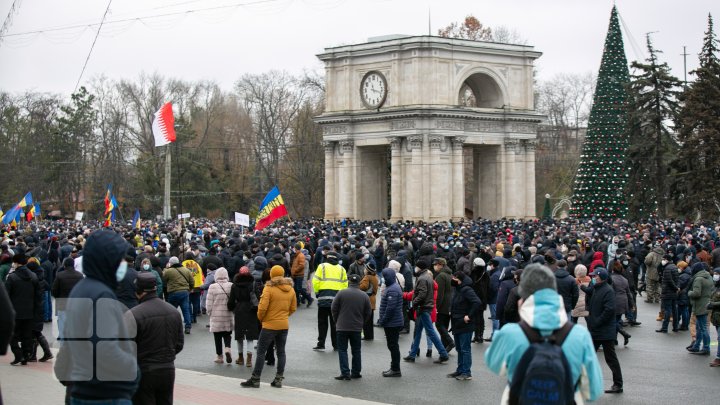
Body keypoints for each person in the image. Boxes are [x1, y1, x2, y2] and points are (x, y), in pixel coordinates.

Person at [485, 264, 603, 403]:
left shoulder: (510, 333)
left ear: (522, 297)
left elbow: (494, 364)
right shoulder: (580, 335)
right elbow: (593, 391)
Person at [54, 229, 139, 404]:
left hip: (85, 387)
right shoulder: (101, 295)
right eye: (119, 258)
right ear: (107, 260)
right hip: (106, 393)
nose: (123, 263)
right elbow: (105, 348)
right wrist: (132, 369)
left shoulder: (82, 288)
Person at [126, 272, 184, 405]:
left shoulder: (133, 314)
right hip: (168, 368)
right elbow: (179, 343)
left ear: (138, 291)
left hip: (144, 370)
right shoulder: (173, 311)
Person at [241, 265, 297, 388]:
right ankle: (278, 379)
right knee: (281, 352)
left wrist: (262, 319)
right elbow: (293, 308)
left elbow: (262, 308)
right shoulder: (290, 289)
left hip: (269, 325)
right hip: (283, 324)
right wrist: (283, 316)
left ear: (271, 274)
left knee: (261, 351)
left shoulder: (268, 288)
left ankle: (255, 379)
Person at [584, 267, 623, 394]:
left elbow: (609, 310)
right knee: (588, 357)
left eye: (595, 276)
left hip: (605, 331)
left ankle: (618, 384)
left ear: (601, 278)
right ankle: (583, 383)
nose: (593, 278)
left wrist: (596, 322)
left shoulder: (608, 291)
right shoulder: (596, 289)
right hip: (596, 330)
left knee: (610, 358)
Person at [402, 259, 449, 363]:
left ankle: (443, 353)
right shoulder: (428, 277)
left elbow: (422, 294)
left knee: (430, 332)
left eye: (417, 266)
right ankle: (412, 354)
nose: (415, 268)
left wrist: (414, 303)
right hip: (425, 307)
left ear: (419, 268)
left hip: (422, 308)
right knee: (418, 332)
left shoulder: (422, 278)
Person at [331, 273, 372, 380]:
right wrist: (362, 322)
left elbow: (334, 308)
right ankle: (356, 372)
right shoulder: (364, 296)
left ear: (349, 282)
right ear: (359, 283)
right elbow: (368, 312)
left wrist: (337, 320)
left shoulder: (341, 293)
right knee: (356, 350)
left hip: (342, 326)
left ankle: (345, 373)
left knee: (342, 350)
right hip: (356, 327)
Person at [6, 253, 41, 365]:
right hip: (30, 311)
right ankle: (26, 355)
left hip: (15, 312)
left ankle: (18, 355)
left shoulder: (12, 277)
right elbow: (38, 296)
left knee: (13, 335)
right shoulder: (34, 276)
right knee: (27, 335)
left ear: (16, 263)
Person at [447, 271, 482, 381]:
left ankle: (467, 372)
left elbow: (477, 302)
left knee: (465, 349)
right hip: (457, 322)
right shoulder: (457, 289)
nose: (452, 279)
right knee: (459, 348)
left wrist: (469, 316)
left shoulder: (467, 289)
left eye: (455, 278)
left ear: (460, 279)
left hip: (465, 323)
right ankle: (460, 369)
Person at [312, 252, 347, 351]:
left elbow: (315, 281)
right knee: (335, 323)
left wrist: (317, 293)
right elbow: (345, 285)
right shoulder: (342, 269)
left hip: (323, 298)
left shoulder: (322, 266)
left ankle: (321, 344)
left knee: (322, 322)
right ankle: (336, 345)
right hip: (337, 300)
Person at [227, 266, 259, 367]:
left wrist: (232, 308)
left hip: (239, 309)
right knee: (250, 336)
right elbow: (258, 297)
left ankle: (240, 358)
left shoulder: (235, 285)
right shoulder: (253, 283)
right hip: (251, 309)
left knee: (239, 335)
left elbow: (231, 300)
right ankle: (249, 360)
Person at [377, 267, 404, 377]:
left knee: (393, 346)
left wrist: (383, 320)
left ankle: (395, 369)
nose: (382, 278)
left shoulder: (393, 289)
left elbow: (390, 308)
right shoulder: (392, 287)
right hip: (393, 322)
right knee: (392, 345)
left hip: (393, 323)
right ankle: (394, 367)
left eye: (383, 276)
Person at [206, 267, 234, 364]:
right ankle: (227, 348)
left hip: (216, 314)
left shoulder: (212, 287)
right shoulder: (231, 285)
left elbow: (209, 303)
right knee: (227, 334)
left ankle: (219, 356)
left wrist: (209, 313)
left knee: (217, 336)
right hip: (228, 314)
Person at [162, 256, 194, 334]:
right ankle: (188, 326)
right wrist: (190, 289)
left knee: (172, 310)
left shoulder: (168, 271)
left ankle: (171, 325)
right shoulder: (186, 270)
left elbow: (164, 279)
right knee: (185, 310)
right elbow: (192, 281)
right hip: (184, 292)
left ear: (170, 263)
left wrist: (166, 268)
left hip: (173, 292)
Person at [687, 262, 714, 354]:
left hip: (700, 306)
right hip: (707, 305)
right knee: (700, 327)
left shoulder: (698, 279)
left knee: (702, 328)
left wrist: (689, 293)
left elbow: (696, 293)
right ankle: (697, 346)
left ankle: (706, 348)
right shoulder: (709, 277)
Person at [432, 258, 455, 352]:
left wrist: (436, 306)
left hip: (443, 305)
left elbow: (439, 293)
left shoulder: (441, 276)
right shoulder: (450, 274)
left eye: (436, 264)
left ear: (441, 265)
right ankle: (444, 348)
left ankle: (450, 342)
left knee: (439, 325)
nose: (435, 266)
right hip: (449, 304)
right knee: (444, 325)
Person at [610, 261, 633, 346]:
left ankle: (624, 334)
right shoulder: (625, 280)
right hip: (623, 301)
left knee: (613, 322)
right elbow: (628, 293)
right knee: (617, 320)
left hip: (615, 301)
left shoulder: (611, 279)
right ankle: (614, 339)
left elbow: (610, 292)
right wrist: (631, 305)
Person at [656, 256, 679, 333]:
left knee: (667, 310)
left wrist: (675, 288)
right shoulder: (674, 267)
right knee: (674, 310)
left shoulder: (667, 269)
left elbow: (669, 281)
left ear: (667, 260)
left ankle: (664, 328)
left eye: (663, 259)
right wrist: (677, 288)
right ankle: (675, 327)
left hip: (667, 292)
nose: (662, 261)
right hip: (673, 293)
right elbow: (677, 279)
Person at [358, 263, 379, 340]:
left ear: (367, 270)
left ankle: (367, 336)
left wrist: (357, 286)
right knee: (370, 320)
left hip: (367, 300)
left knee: (365, 320)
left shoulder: (367, 277)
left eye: (365, 269)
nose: (364, 270)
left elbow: (364, 286)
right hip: (372, 299)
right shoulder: (375, 277)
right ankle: (370, 336)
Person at [291, 243, 313, 307]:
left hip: (299, 275)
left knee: (299, 289)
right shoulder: (297, 255)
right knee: (296, 289)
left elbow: (301, 265)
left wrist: (295, 270)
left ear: (296, 248)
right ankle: (297, 302)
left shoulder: (300, 255)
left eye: (294, 248)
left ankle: (309, 298)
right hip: (296, 275)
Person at [708, 267, 720, 367]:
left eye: (717, 273)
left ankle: (718, 358)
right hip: (716, 316)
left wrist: (713, 304)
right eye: (714, 273)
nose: (715, 275)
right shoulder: (716, 286)